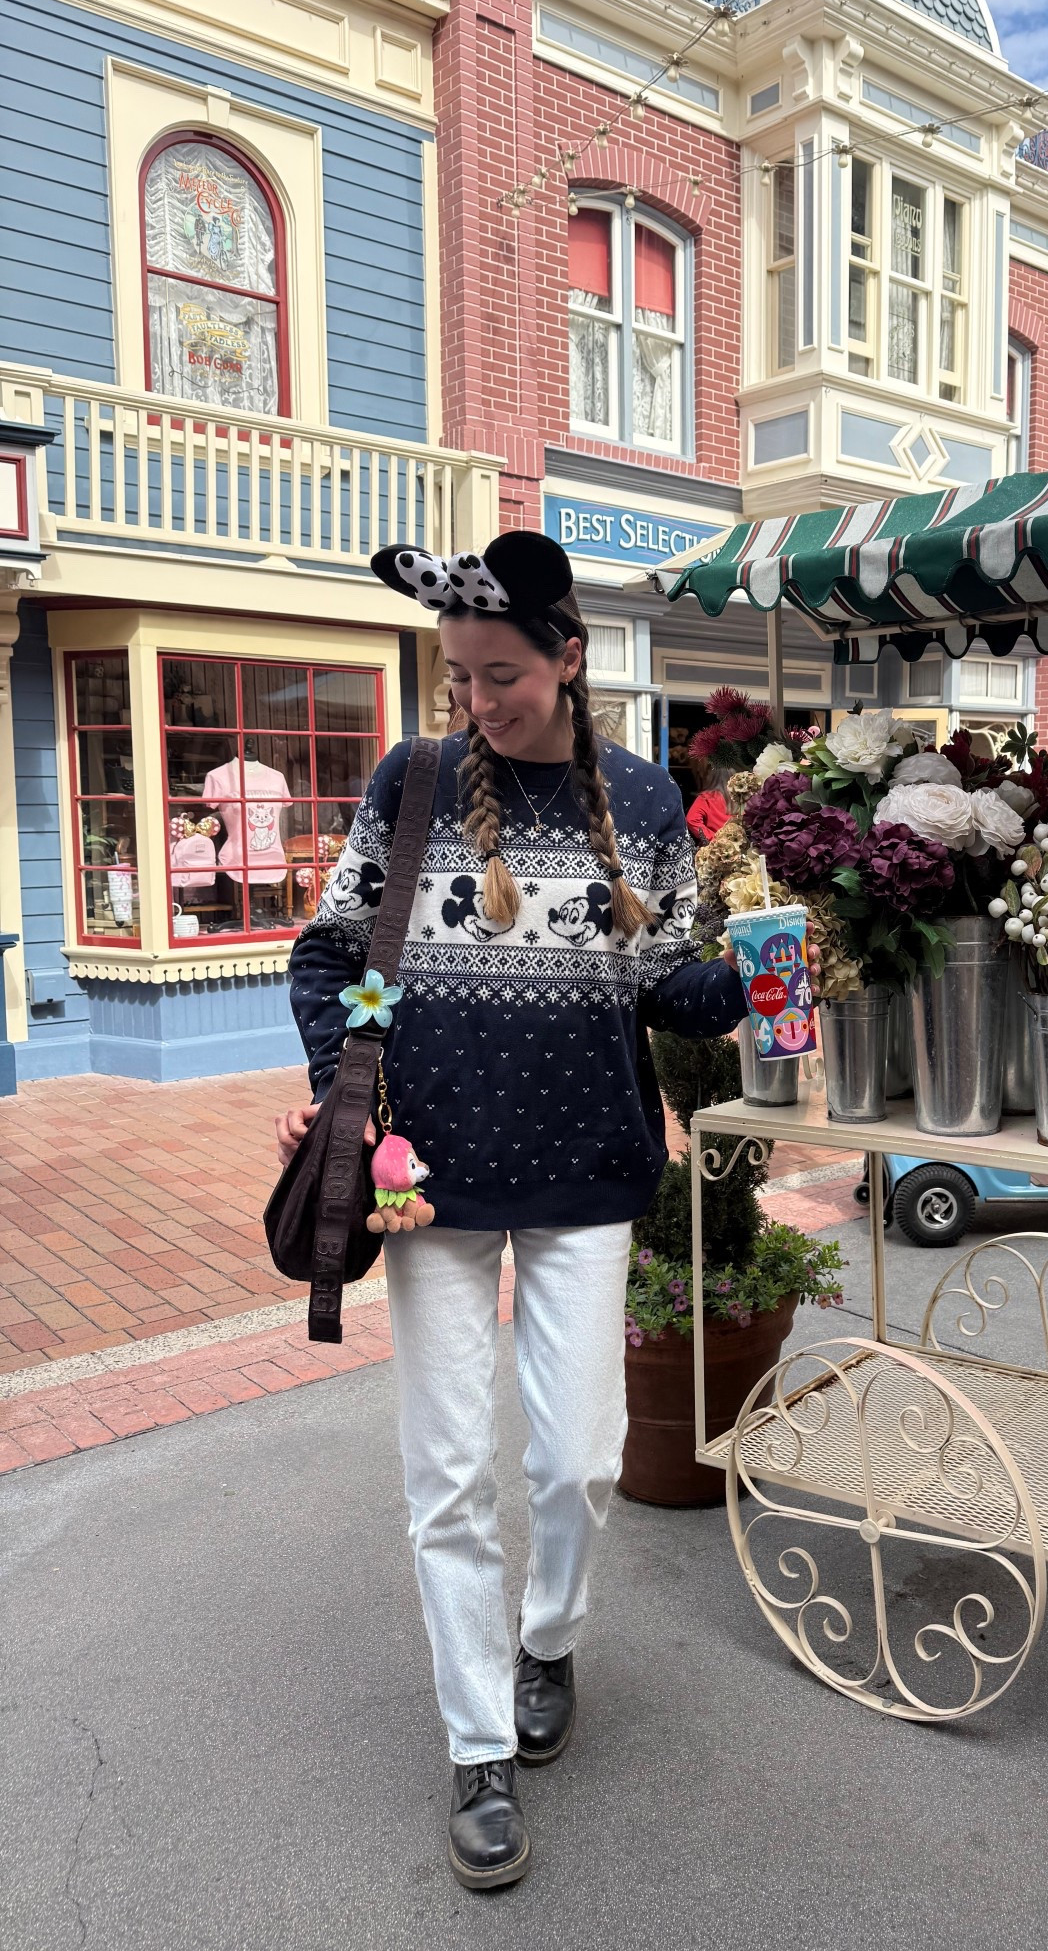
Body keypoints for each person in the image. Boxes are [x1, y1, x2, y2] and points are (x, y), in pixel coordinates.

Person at [278, 531, 745, 1892]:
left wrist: (775, 970)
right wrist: (347, 1089)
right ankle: (477, 1743)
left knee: (581, 1457)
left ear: (568, 659)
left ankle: (550, 1636)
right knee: (445, 1473)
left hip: (591, 1166)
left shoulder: (646, 800)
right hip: (433, 1183)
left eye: (505, 676)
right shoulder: (411, 784)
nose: (481, 702)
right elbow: (334, 961)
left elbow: (670, 989)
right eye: (463, 676)